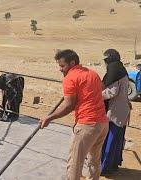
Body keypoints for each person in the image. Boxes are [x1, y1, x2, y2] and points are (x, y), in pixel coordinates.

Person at [39, 49, 109, 180]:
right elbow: (102, 87)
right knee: (94, 160)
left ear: (72, 63)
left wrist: (49, 117)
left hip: (86, 125)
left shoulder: (70, 78)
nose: (60, 69)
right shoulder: (92, 73)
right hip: (103, 124)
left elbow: (68, 105)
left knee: (75, 163)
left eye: (62, 66)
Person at [101, 49, 131, 174]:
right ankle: (112, 165)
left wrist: (94, 95)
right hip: (122, 111)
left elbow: (111, 93)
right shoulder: (121, 69)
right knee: (116, 140)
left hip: (115, 113)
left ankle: (104, 167)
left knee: (110, 140)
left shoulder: (114, 71)